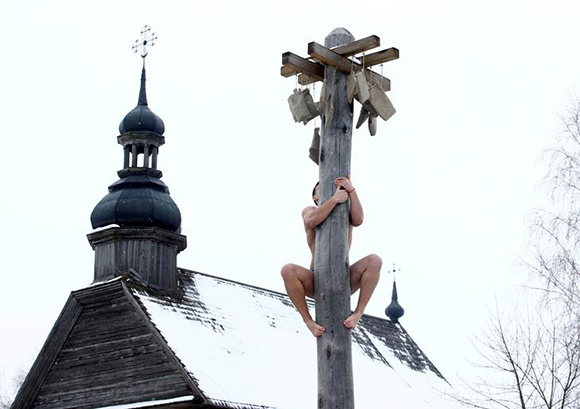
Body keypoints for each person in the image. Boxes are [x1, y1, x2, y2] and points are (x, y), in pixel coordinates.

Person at [281, 177, 382, 337]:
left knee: (374, 260)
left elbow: (359, 220)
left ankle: (358, 313)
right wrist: (334, 199)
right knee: (287, 270)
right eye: (320, 187)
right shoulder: (309, 210)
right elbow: (311, 221)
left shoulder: (346, 211)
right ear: (315, 197)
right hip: (316, 278)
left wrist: (351, 190)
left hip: (343, 275)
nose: (328, 187)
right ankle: (308, 320)